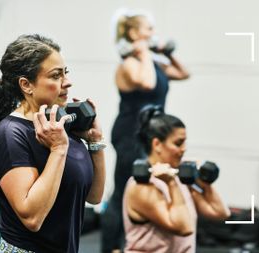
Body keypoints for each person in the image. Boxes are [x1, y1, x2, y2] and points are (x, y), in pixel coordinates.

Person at [0, 34, 106, 253]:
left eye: (65, 73)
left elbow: (94, 196)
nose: (67, 82)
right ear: (26, 84)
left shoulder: (58, 125)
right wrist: (59, 149)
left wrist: (95, 143)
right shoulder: (10, 135)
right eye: (56, 76)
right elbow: (32, 218)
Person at [101, 9, 190, 253]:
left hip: (152, 135)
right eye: (149, 29)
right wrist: (144, 54)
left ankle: (135, 244)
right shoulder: (129, 64)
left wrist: (166, 54)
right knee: (122, 192)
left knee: (145, 189)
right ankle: (110, 248)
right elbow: (147, 83)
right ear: (133, 33)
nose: (154, 34)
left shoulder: (154, 63)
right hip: (130, 134)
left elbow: (184, 73)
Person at [122, 105, 230, 252]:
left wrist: (203, 182)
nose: (184, 148)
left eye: (184, 142)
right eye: (178, 143)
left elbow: (220, 213)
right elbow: (185, 227)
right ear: (157, 144)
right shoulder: (141, 186)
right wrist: (171, 183)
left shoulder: (179, 177)